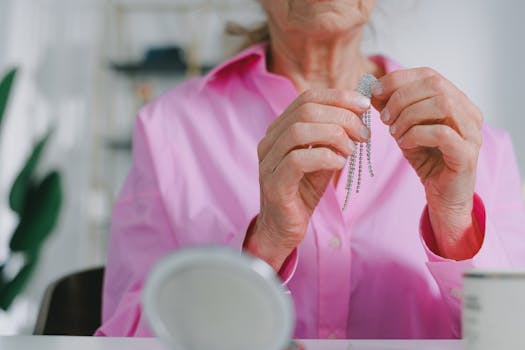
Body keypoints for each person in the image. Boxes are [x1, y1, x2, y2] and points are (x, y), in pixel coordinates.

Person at [95, 0, 525, 339]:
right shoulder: (168, 129)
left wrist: (455, 223)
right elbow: (123, 337)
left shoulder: (471, 144)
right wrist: (265, 245)